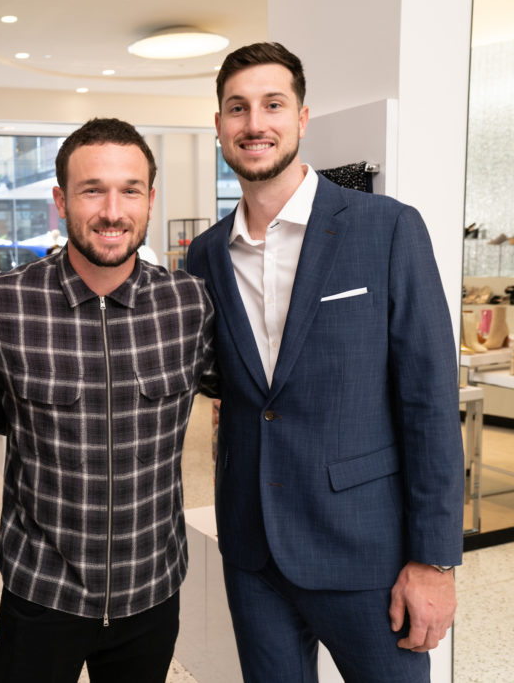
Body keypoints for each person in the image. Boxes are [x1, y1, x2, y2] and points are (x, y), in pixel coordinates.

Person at [185, 42, 463, 682]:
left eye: (272, 104)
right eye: (237, 108)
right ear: (220, 126)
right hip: (253, 553)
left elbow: (428, 403)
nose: (255, 123)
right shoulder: (204, 257)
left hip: (369, 553)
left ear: (302, 118)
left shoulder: (386, 227)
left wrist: (435, 562)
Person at [0, 118, 216, 683]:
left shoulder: (189, 304)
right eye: (92, 190)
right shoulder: (3, 302)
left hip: (151, 588)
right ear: (61, 201)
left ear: (151, 199)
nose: (112, 211)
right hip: (42, 590)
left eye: (130, 190)